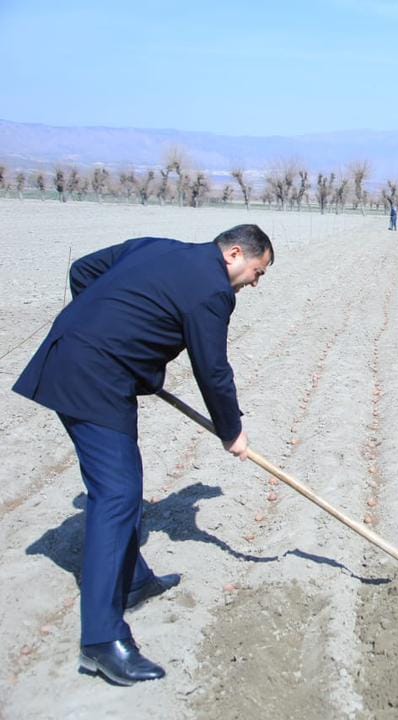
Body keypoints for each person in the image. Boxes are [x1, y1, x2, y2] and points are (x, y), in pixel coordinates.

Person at [12, 225, 274, 685]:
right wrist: (231, 431)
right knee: (116, 493)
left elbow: (83, 271)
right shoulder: (214, 291)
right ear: (235, 254)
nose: (256, 283)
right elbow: (212, 369)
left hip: (90, 365)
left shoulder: (158, 247)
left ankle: (133, 581)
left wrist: (112, 332)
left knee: (124, 481)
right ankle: (101, 640)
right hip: (91, 377)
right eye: (258, 271)